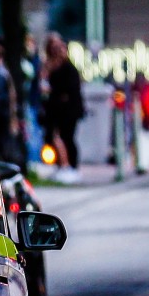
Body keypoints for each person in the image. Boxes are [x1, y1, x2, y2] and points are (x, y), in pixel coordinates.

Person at [40, 33, 85, 183]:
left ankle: (69, 166)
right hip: (55, 109)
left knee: (66, 137)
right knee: (56, 137)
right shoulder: (50, 65)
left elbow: (69, 90)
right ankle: (62, 165)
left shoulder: (68, 68)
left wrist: (54, 92)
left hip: (66, 110)